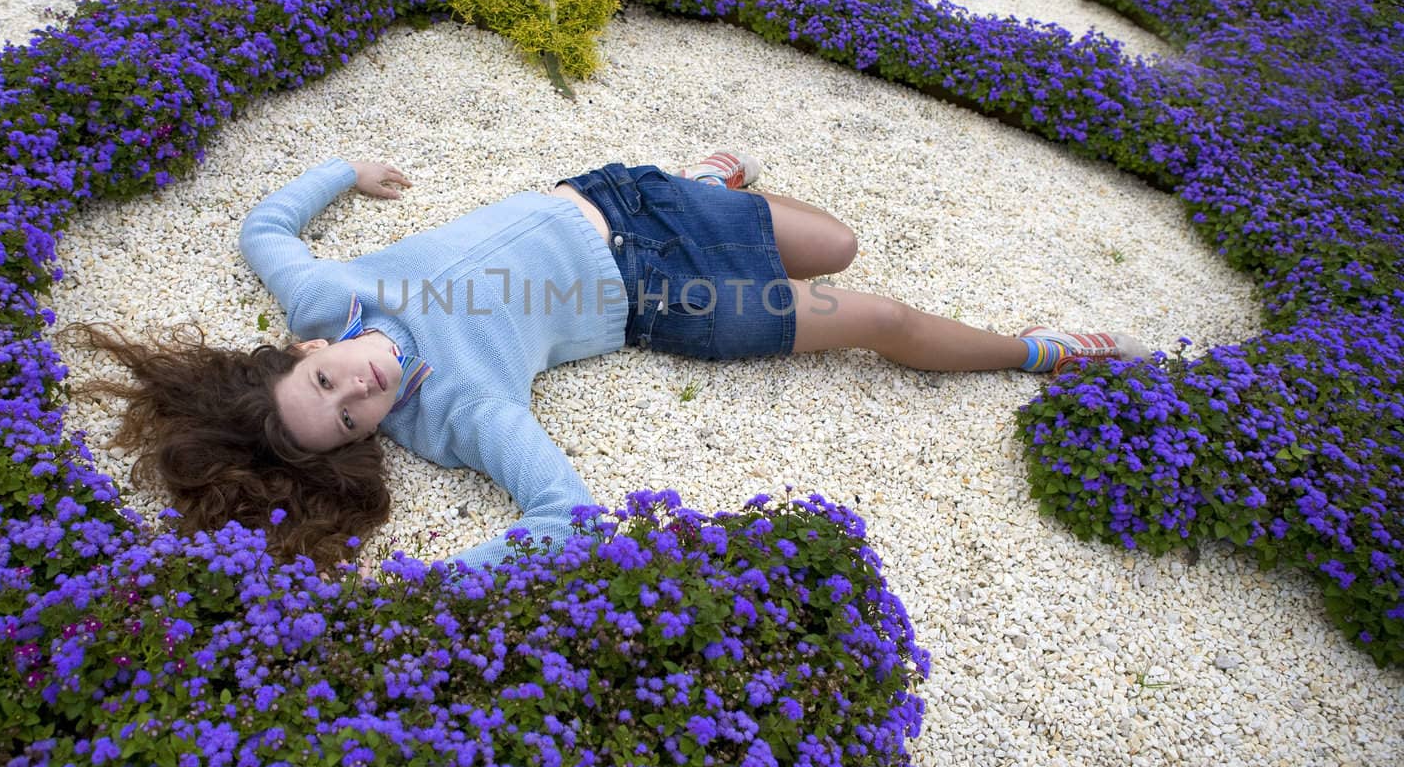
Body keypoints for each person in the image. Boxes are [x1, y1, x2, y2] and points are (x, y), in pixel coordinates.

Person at [79, 150, 1147, 570]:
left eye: (326, 381)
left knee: (835, 239)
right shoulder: (453, 414)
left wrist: (345, 171)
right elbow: (562, 514)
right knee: (875, 308)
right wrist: (436, 576)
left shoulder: (323, 296)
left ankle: (705, 177)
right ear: (369, 438)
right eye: (352, 419)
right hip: (660, 296)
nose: (361, 388)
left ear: (304, 350)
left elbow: (261, 232)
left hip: (622, 194)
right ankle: (1043, 350)